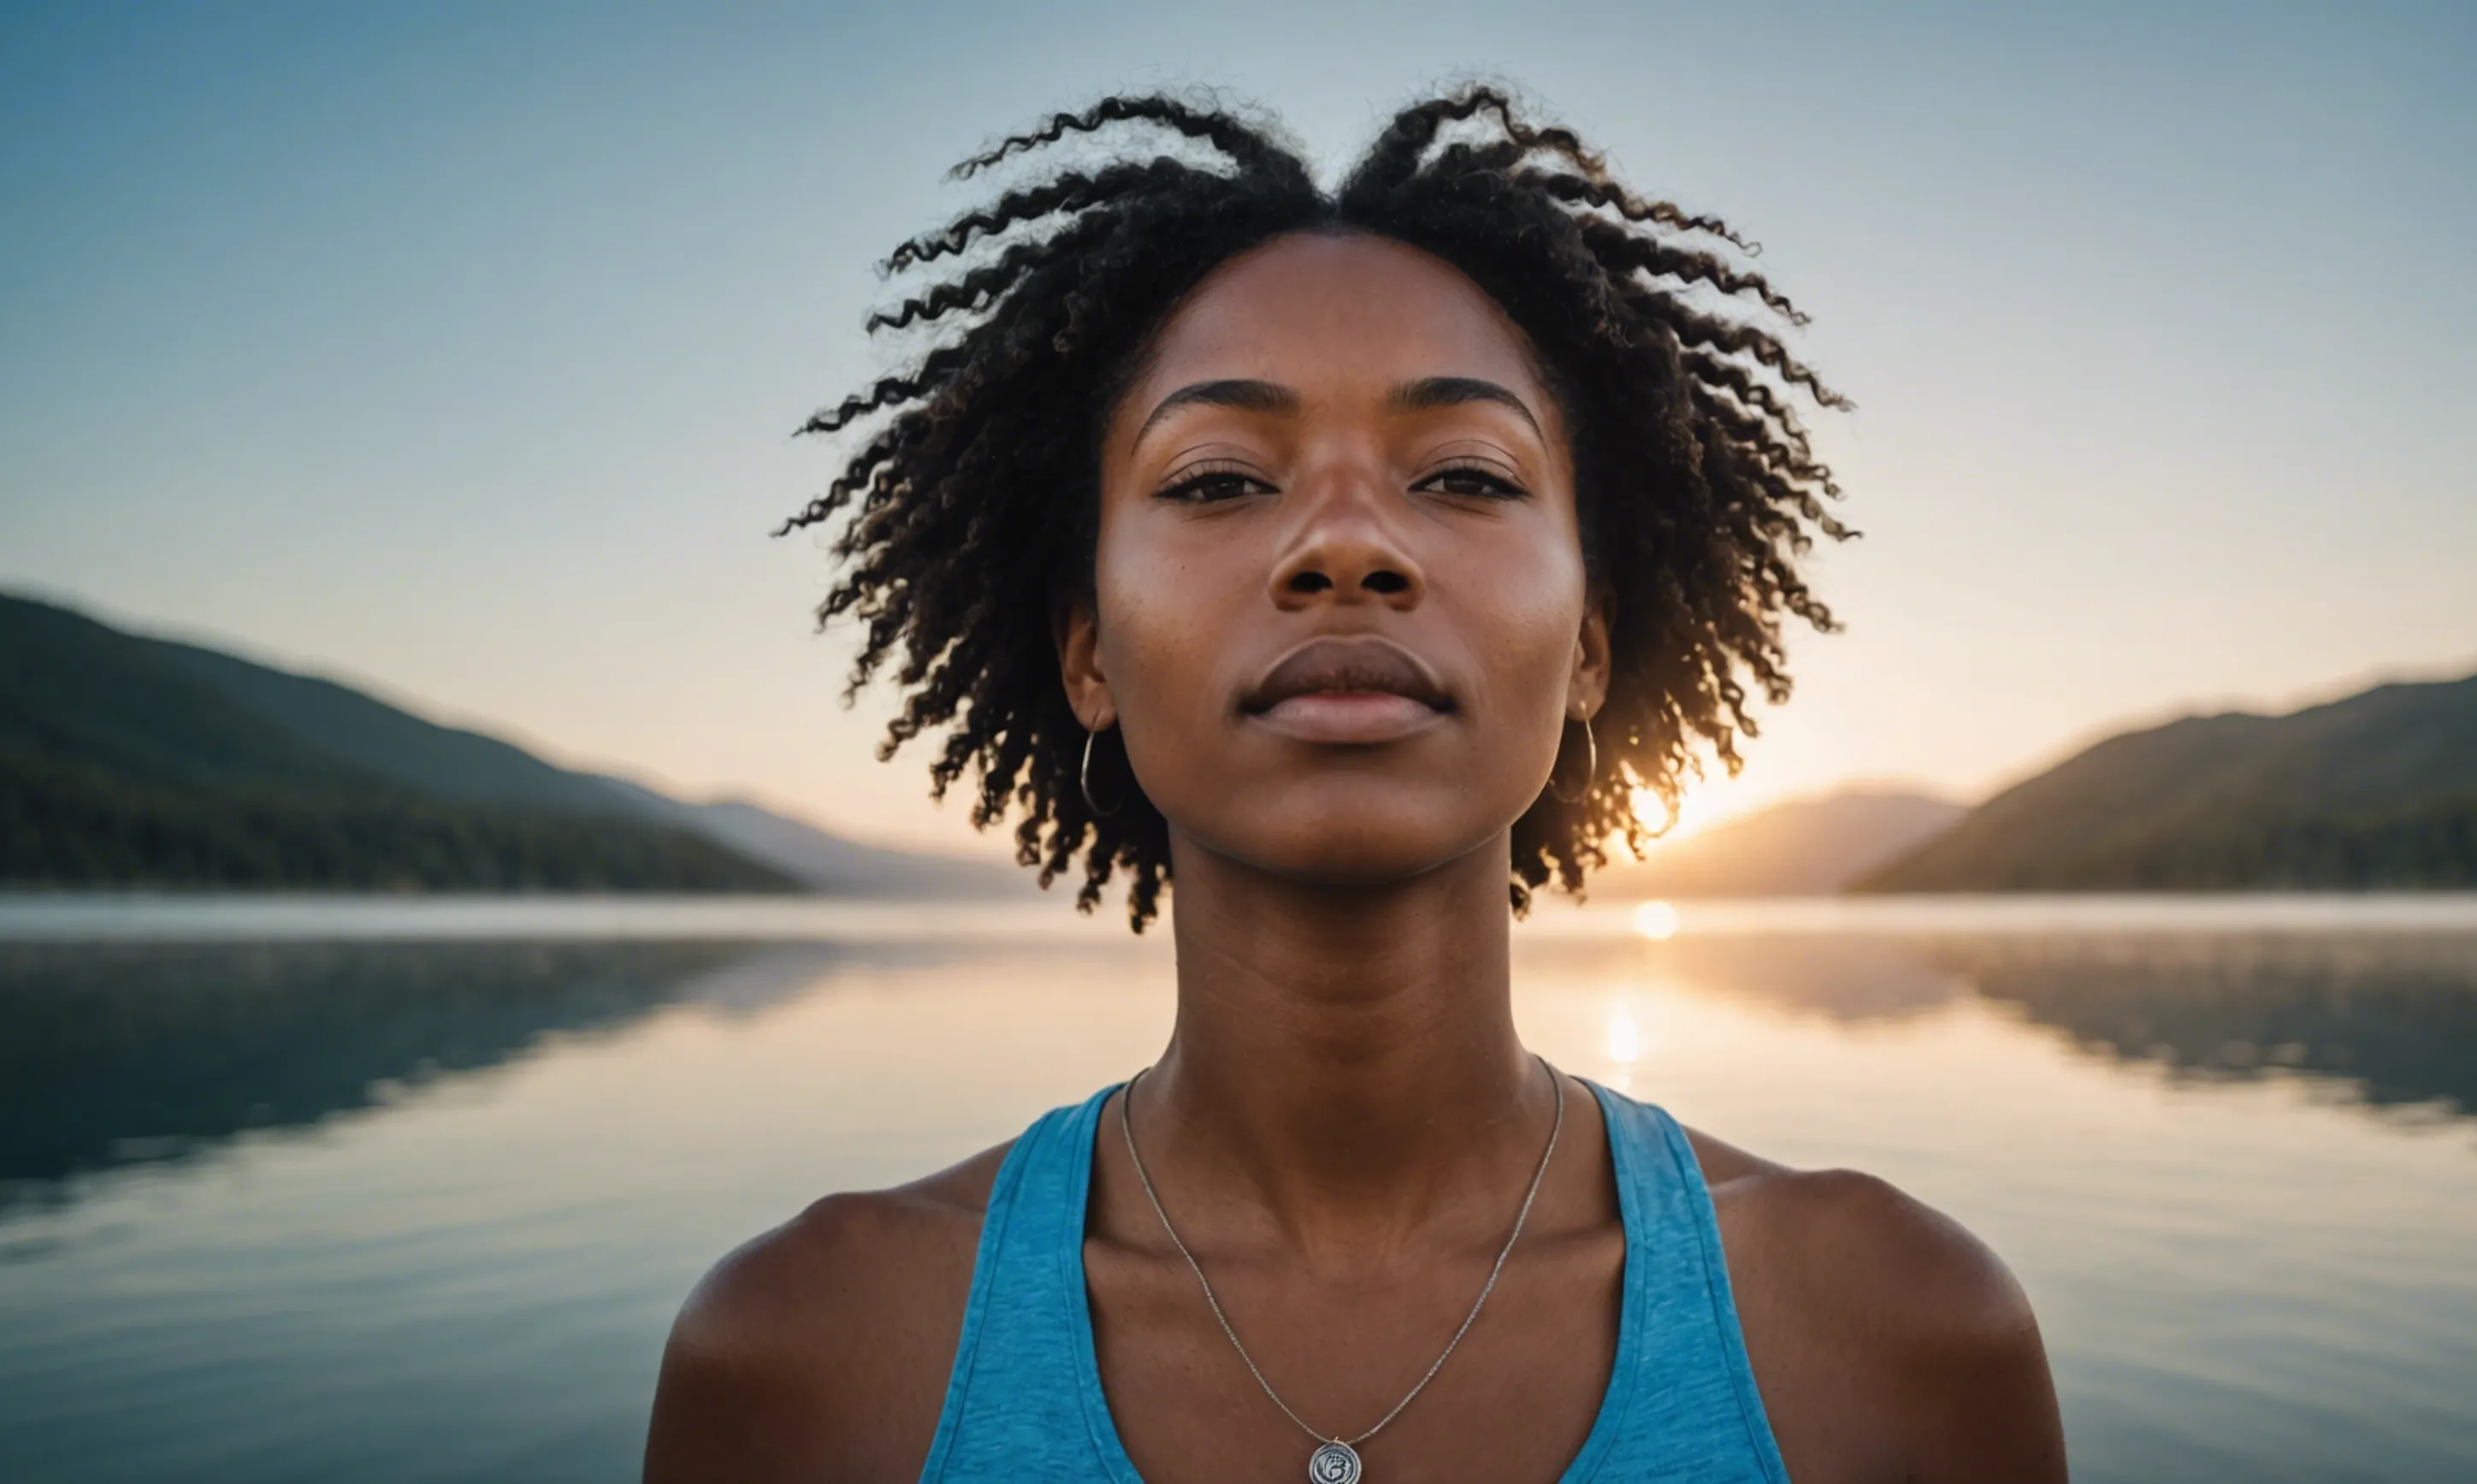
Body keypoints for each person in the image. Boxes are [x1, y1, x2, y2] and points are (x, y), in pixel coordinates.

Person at [643, 87, 2064, 1484]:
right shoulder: (808, 1361)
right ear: (1087, 650)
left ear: (1588, 647)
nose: (1344, 546)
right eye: (1215, 479)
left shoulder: (1894, 1339)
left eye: (1462, 473)